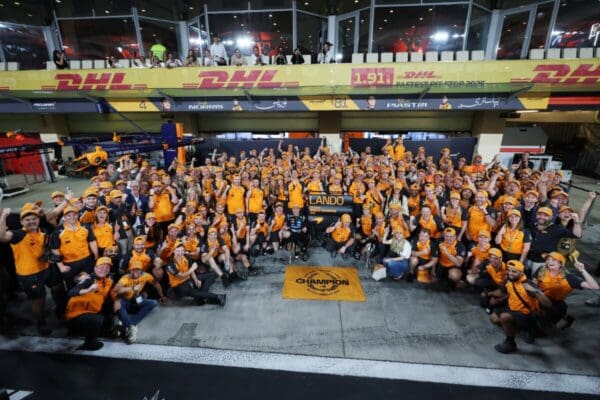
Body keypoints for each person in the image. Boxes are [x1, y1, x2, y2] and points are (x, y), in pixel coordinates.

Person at [0, 205, 65, 335]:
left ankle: (61, 309)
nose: (31, 222)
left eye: (34, 219)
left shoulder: (42, 230)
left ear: (38, 220)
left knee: (57, 288)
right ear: (21, 222)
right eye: (27, 219)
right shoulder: (18, 235)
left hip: (46, 267)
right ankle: (41, 323)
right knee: (39, 300)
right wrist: (3, 216)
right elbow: (1, 236)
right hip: (29, 274)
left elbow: (52, 216)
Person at [488, 260, 551, 353]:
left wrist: (536, 292)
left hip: (527, 314)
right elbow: (501, 292)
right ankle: (520, 327)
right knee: (494, 318)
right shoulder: (509, 280)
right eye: (508, 270)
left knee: (504, 317)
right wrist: (489, 294)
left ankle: (510, 343)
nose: (510, 273)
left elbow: (548, 304)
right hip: (513, 308)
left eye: (514, 271)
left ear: (521, 273)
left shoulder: (528, 284)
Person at [534, 252, 599, 330]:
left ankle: (566, 321)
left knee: (550, 329)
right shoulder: (542, 270)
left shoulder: (568, 278)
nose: (549, 261)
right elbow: (534, 282)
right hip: (539, 300)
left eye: (553, 260)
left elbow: (595, 286)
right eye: (548, 259)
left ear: (560, 264)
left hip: (556, 307)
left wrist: (582, 270)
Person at [65, 257, 115, 351]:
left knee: (110, 309)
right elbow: (71, 292)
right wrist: (88, 290)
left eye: (107, 267)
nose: (104, 269)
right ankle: (89, 343)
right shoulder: (88, 279)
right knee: (97, 319)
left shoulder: (107, 280)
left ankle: (100, 332)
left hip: (92, 310)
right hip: (77, 316)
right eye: (101, 267)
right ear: (95, 268)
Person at [113, 260, 164, 344]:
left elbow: (156, 284)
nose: (136, 271)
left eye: (138, 269)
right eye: (133, 269)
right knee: (119, 303)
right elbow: (116, 290)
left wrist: (162, 296)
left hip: (136, 298)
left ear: (141, 270)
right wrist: (131, 288)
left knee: (153, 303)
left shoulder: (146, 276)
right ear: (130, 270)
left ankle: (126, 323)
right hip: (125, 301)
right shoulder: (125, 278)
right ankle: (130, 327)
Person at [50, 205, 99, 288]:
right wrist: (61, 266)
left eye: (74, 214)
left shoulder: (85, 227)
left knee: (90, 282)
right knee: (72, 286)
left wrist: (96, 256)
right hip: (69, 263)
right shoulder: (58, 231)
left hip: (86, 260)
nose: (72, 217)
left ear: (78, 215)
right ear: (64, 217)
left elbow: (92, 242)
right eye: (69, 215)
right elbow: (55, 249)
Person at [166, 241, 226, 306]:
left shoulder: (186, 256)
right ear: (174, 251)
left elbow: (191, 271)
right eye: (178, 251)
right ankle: (218, 296)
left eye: (182, 250)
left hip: (188, 280)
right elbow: (181, 276)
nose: (180, 253)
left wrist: (196, 280)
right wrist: (192, 269)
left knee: (212, 275)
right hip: (179, 286)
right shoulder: (170, 264)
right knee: (191, 291)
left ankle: (203, 296)